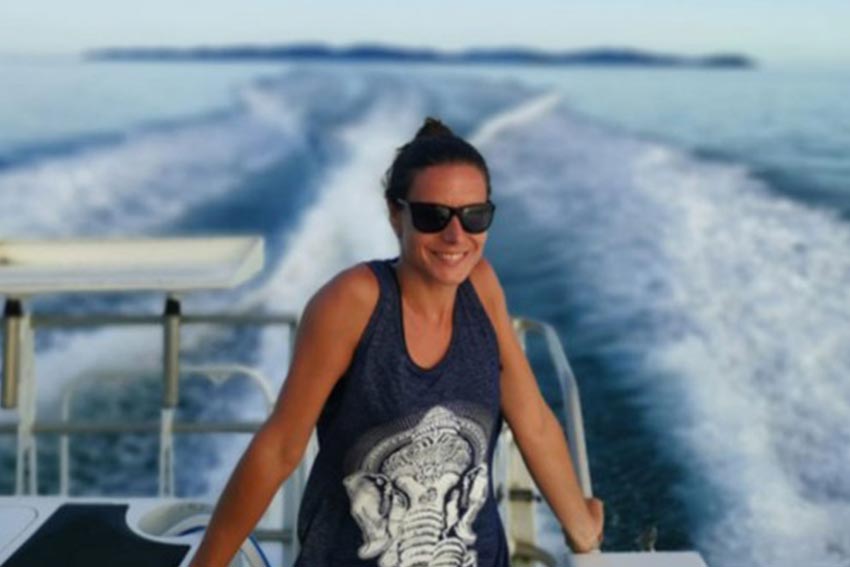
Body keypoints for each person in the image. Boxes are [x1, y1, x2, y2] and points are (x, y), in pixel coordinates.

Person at [189, 117, 604, 567]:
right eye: (432, 216)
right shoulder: (353, 302)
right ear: (395, 214)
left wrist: (581, 529)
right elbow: (279, 448)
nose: (455, 236)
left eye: (475, 216)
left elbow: (532, 418)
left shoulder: (483, 286)